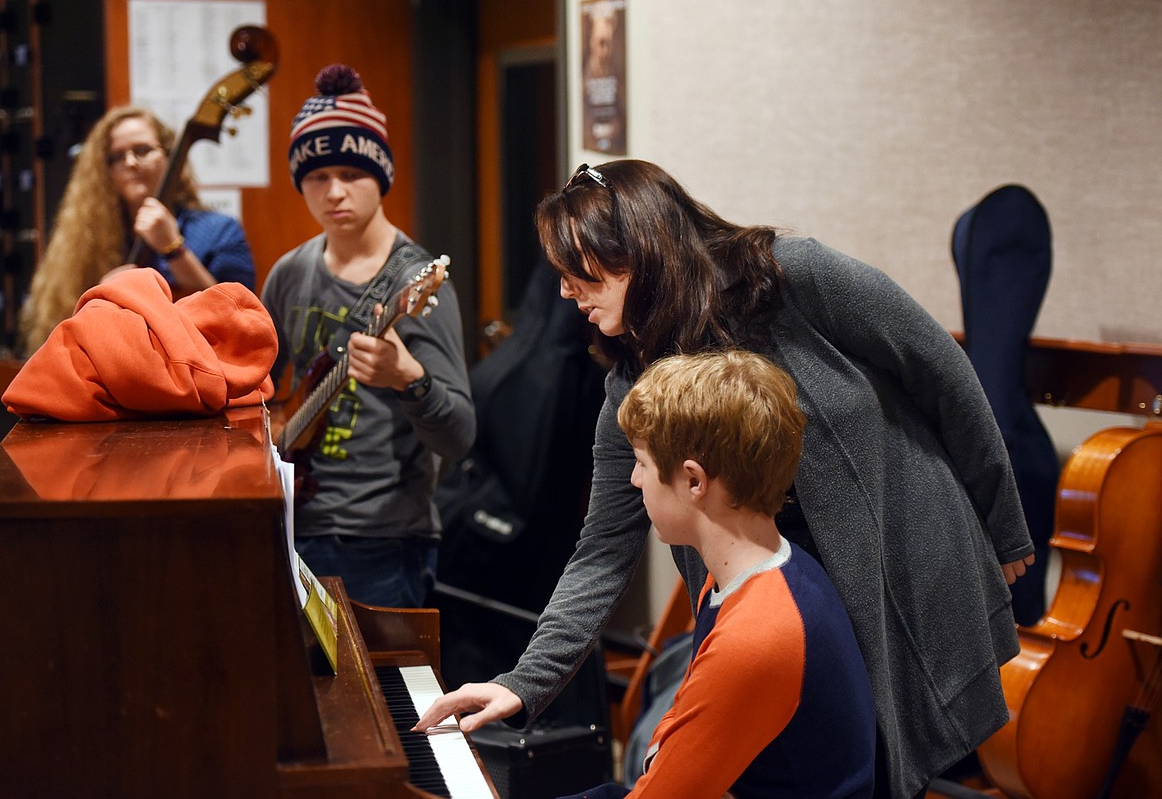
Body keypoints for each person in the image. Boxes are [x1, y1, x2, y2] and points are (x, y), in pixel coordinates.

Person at [415, 159, 1036, 799]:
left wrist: (1005, 522)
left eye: (581, 273)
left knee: (893, 760)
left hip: (899, 555)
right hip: (781, 583)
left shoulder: (796, 275)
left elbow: (944, 373)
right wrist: (524, 682)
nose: (567, 293)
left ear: (637, 251)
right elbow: (601, 548)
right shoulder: (634, 378)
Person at [569, 349, 877, 798]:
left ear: (694, 481)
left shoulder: (757, 633)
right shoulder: (758, 571)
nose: (635, 481)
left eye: (642, 464)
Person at [260, 64, 475, 608]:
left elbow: (459, 435)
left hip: (382, 539)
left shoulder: (418, 282)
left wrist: (409, 380)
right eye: (316, 176)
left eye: (352, 174)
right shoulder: (289, 273)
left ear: (380, 175)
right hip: (290, 522)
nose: (334, 192)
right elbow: (255, 387)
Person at [20, 105, 256, 356]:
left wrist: (173, 248)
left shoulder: (220, 230)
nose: (130, 162)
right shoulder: (89, 239)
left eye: (142, 150)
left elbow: (238, 322)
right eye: (117, 157)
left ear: (168, 156)